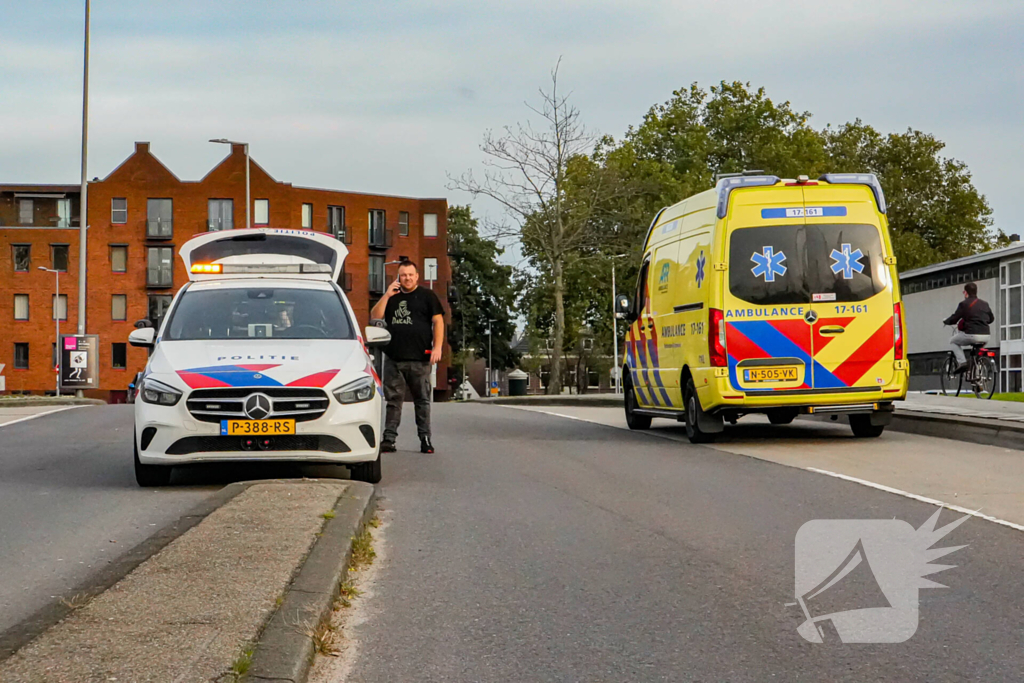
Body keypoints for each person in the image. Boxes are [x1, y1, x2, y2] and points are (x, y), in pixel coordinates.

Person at [370, 259, 444, 453]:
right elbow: (375, 316)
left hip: (421, 359)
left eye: (410, 275)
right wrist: (387, 294)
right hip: (394, 359)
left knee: (422, 401)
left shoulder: (428, 296)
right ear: (398, 277)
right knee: (394, 401)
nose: (407, 278)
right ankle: (389, 438)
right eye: (404, 275)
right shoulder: (392, 297)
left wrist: (438, 347)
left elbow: (438, 321)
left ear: (417, 276)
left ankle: (425, 439)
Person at [943, 282, 994, 373]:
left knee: (952, 341)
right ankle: (978, 377)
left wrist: (946, 321)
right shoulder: (985, 304)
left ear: (966, 293)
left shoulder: (964, 304)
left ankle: (962, 363)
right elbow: (991, 319)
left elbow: (954, 319)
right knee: (976, 354)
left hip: (971, 335)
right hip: (986, 336)